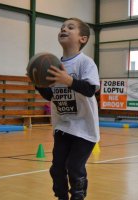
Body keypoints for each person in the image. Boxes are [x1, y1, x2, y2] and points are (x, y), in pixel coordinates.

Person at [35, 17, 100, 200]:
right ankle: (61, 197)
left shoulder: (86, 63)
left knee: (74, 167)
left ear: (83, 39)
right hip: (63, 125)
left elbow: (89, 90)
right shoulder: (53, 66)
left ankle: (78, 197)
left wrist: (68, 80)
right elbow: (51, 96)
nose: (64, 29)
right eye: (62, 27)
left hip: (84, 128)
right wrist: (38, 83)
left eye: (70, 27)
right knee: (57, 168)